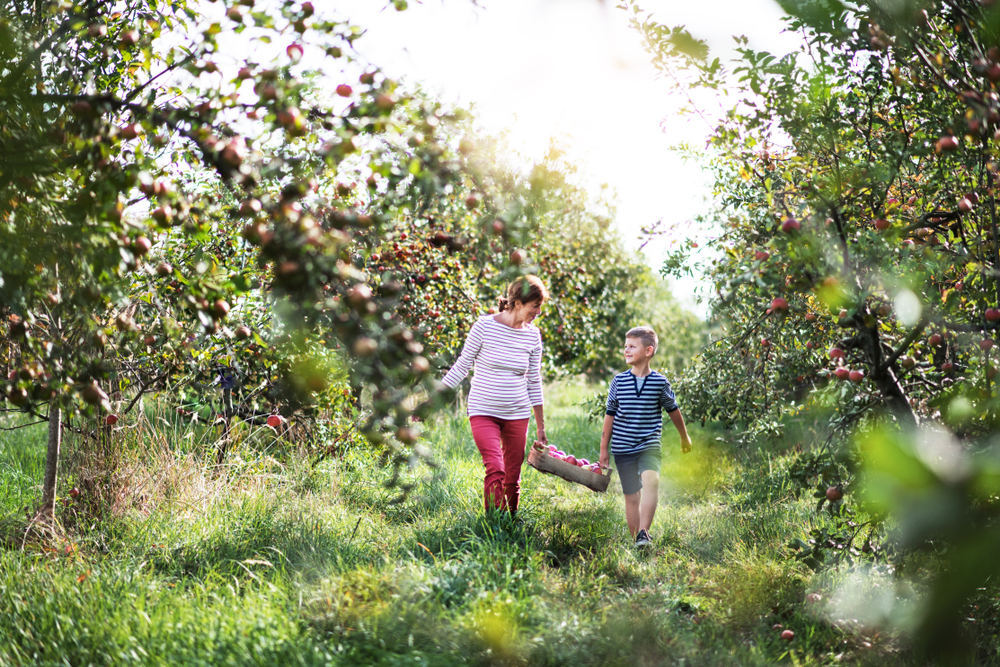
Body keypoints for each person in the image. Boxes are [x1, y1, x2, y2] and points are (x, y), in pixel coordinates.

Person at [441, 275, 549, 514]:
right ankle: (493, 524)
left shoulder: (533, 336)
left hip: (517, 413)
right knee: (495, 468)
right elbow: (461, 366)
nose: (539, 311)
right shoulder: (484, 326)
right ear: (518, 303)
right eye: (535, 306)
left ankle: (509, 525)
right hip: (483, 411)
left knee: (512, 476)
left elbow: (534, 381)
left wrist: (541, 426)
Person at [598, 326, 692, 548]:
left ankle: (643, 533)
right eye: (625, 346)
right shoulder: (618, 382)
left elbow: (673, 410)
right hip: (623, 447)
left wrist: (684, 437)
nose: (626, 350)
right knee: (632, 496)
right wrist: (604, 448)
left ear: (648, 351)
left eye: (632, 346)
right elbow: (609, 416)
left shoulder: (660, 382)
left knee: (652, 481)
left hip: (649, 444)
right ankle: (636, 542)